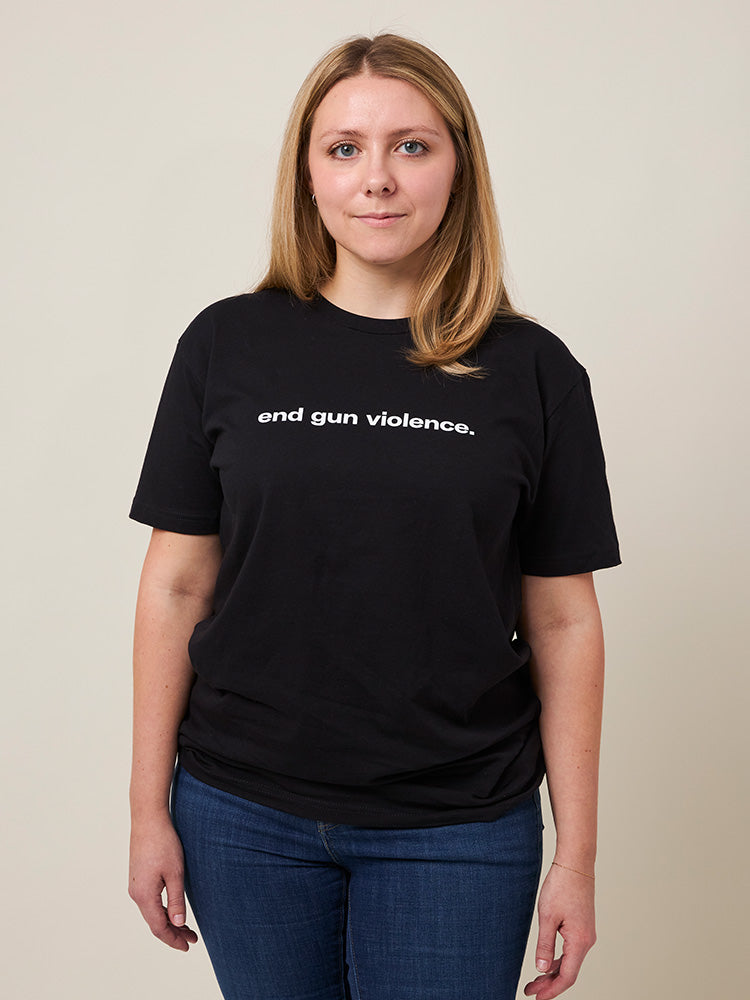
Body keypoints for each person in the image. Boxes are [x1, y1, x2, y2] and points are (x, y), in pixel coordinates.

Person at [127, 32, 621, 1000]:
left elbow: (564, 616)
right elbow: (178, 582)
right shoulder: (227, 343)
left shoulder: (533, 370)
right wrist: (148, 809)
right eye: (344, 148)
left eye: (412, 145)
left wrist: (577, 858)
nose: (378, 179)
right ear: (307, 173)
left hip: (460, 823)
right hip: (240, 811)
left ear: (458, 166)